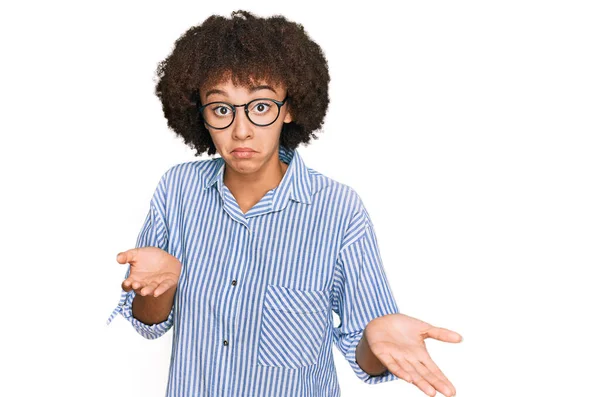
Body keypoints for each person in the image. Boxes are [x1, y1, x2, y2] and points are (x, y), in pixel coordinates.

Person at [107, 10, 462, 397]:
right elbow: (148, 323)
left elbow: (369, 356)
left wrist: (374, 338)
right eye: (222, 109)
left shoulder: (338, 210)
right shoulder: (178, 191)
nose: (241, 130)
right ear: (201, 115)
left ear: (289, 108)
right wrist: (158, 289)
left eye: (260, 107)